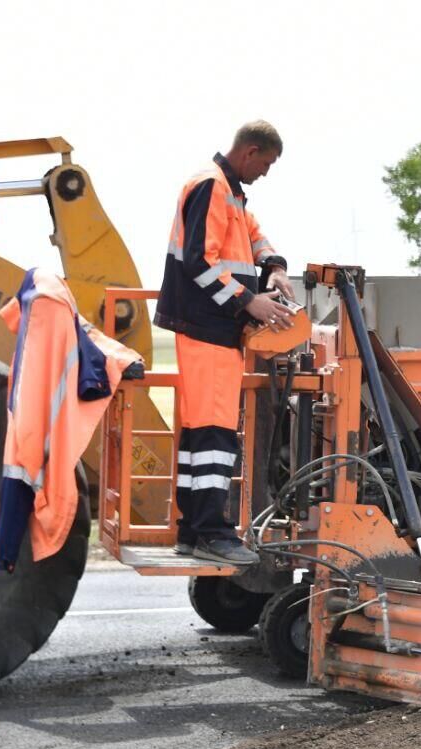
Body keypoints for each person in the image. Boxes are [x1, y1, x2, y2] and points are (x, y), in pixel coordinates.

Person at [153, 120, 296, 566]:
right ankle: (212, 532)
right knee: (214, 435)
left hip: (210, 329)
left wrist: (273, 265)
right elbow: (200, 262)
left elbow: (254, 235)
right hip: (208, 328)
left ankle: (192, 530)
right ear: (251, 152)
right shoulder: (213, 188)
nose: (267, 173)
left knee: (201, 432)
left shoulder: (229, 192)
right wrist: (248, 302)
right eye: (267, 164)